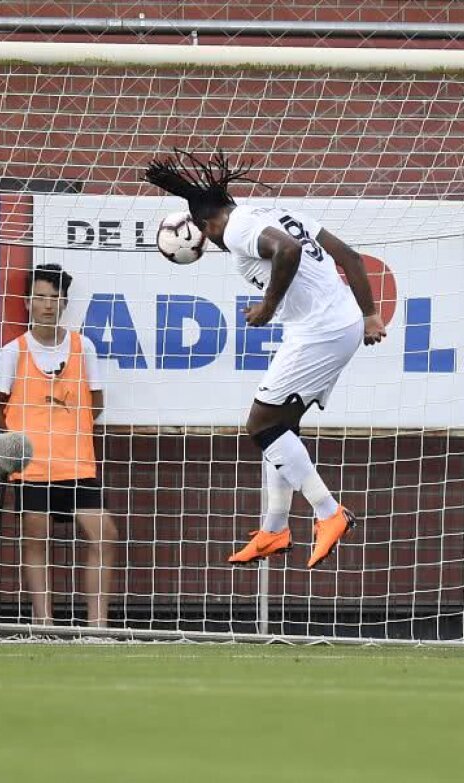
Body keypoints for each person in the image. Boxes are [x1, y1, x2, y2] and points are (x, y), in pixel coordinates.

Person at [143, 149, 386, 568]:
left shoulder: (236, 232)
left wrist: (268, 308)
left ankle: (330, 514)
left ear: (202, 226)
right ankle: (274, 529)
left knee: (260, 425)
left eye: (204, 236)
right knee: (281, 427)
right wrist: (370, 314)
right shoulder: (272, 212)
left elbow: (288, 251)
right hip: (334, 324)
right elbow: (350, 258)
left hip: (320, 331)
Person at [0, 264, 118, 628]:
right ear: (27, 302)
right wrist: (19, 437)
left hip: (77, 464)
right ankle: (44, 624)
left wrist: (68, 423)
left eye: (55, 298)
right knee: (36, 540)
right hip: (33, 467)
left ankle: (97, 627)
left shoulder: (81, 346)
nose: (47, 305)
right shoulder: (15, 350)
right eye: (40, 297)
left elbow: (96, 403)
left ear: (64, 303)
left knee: (104, 535)